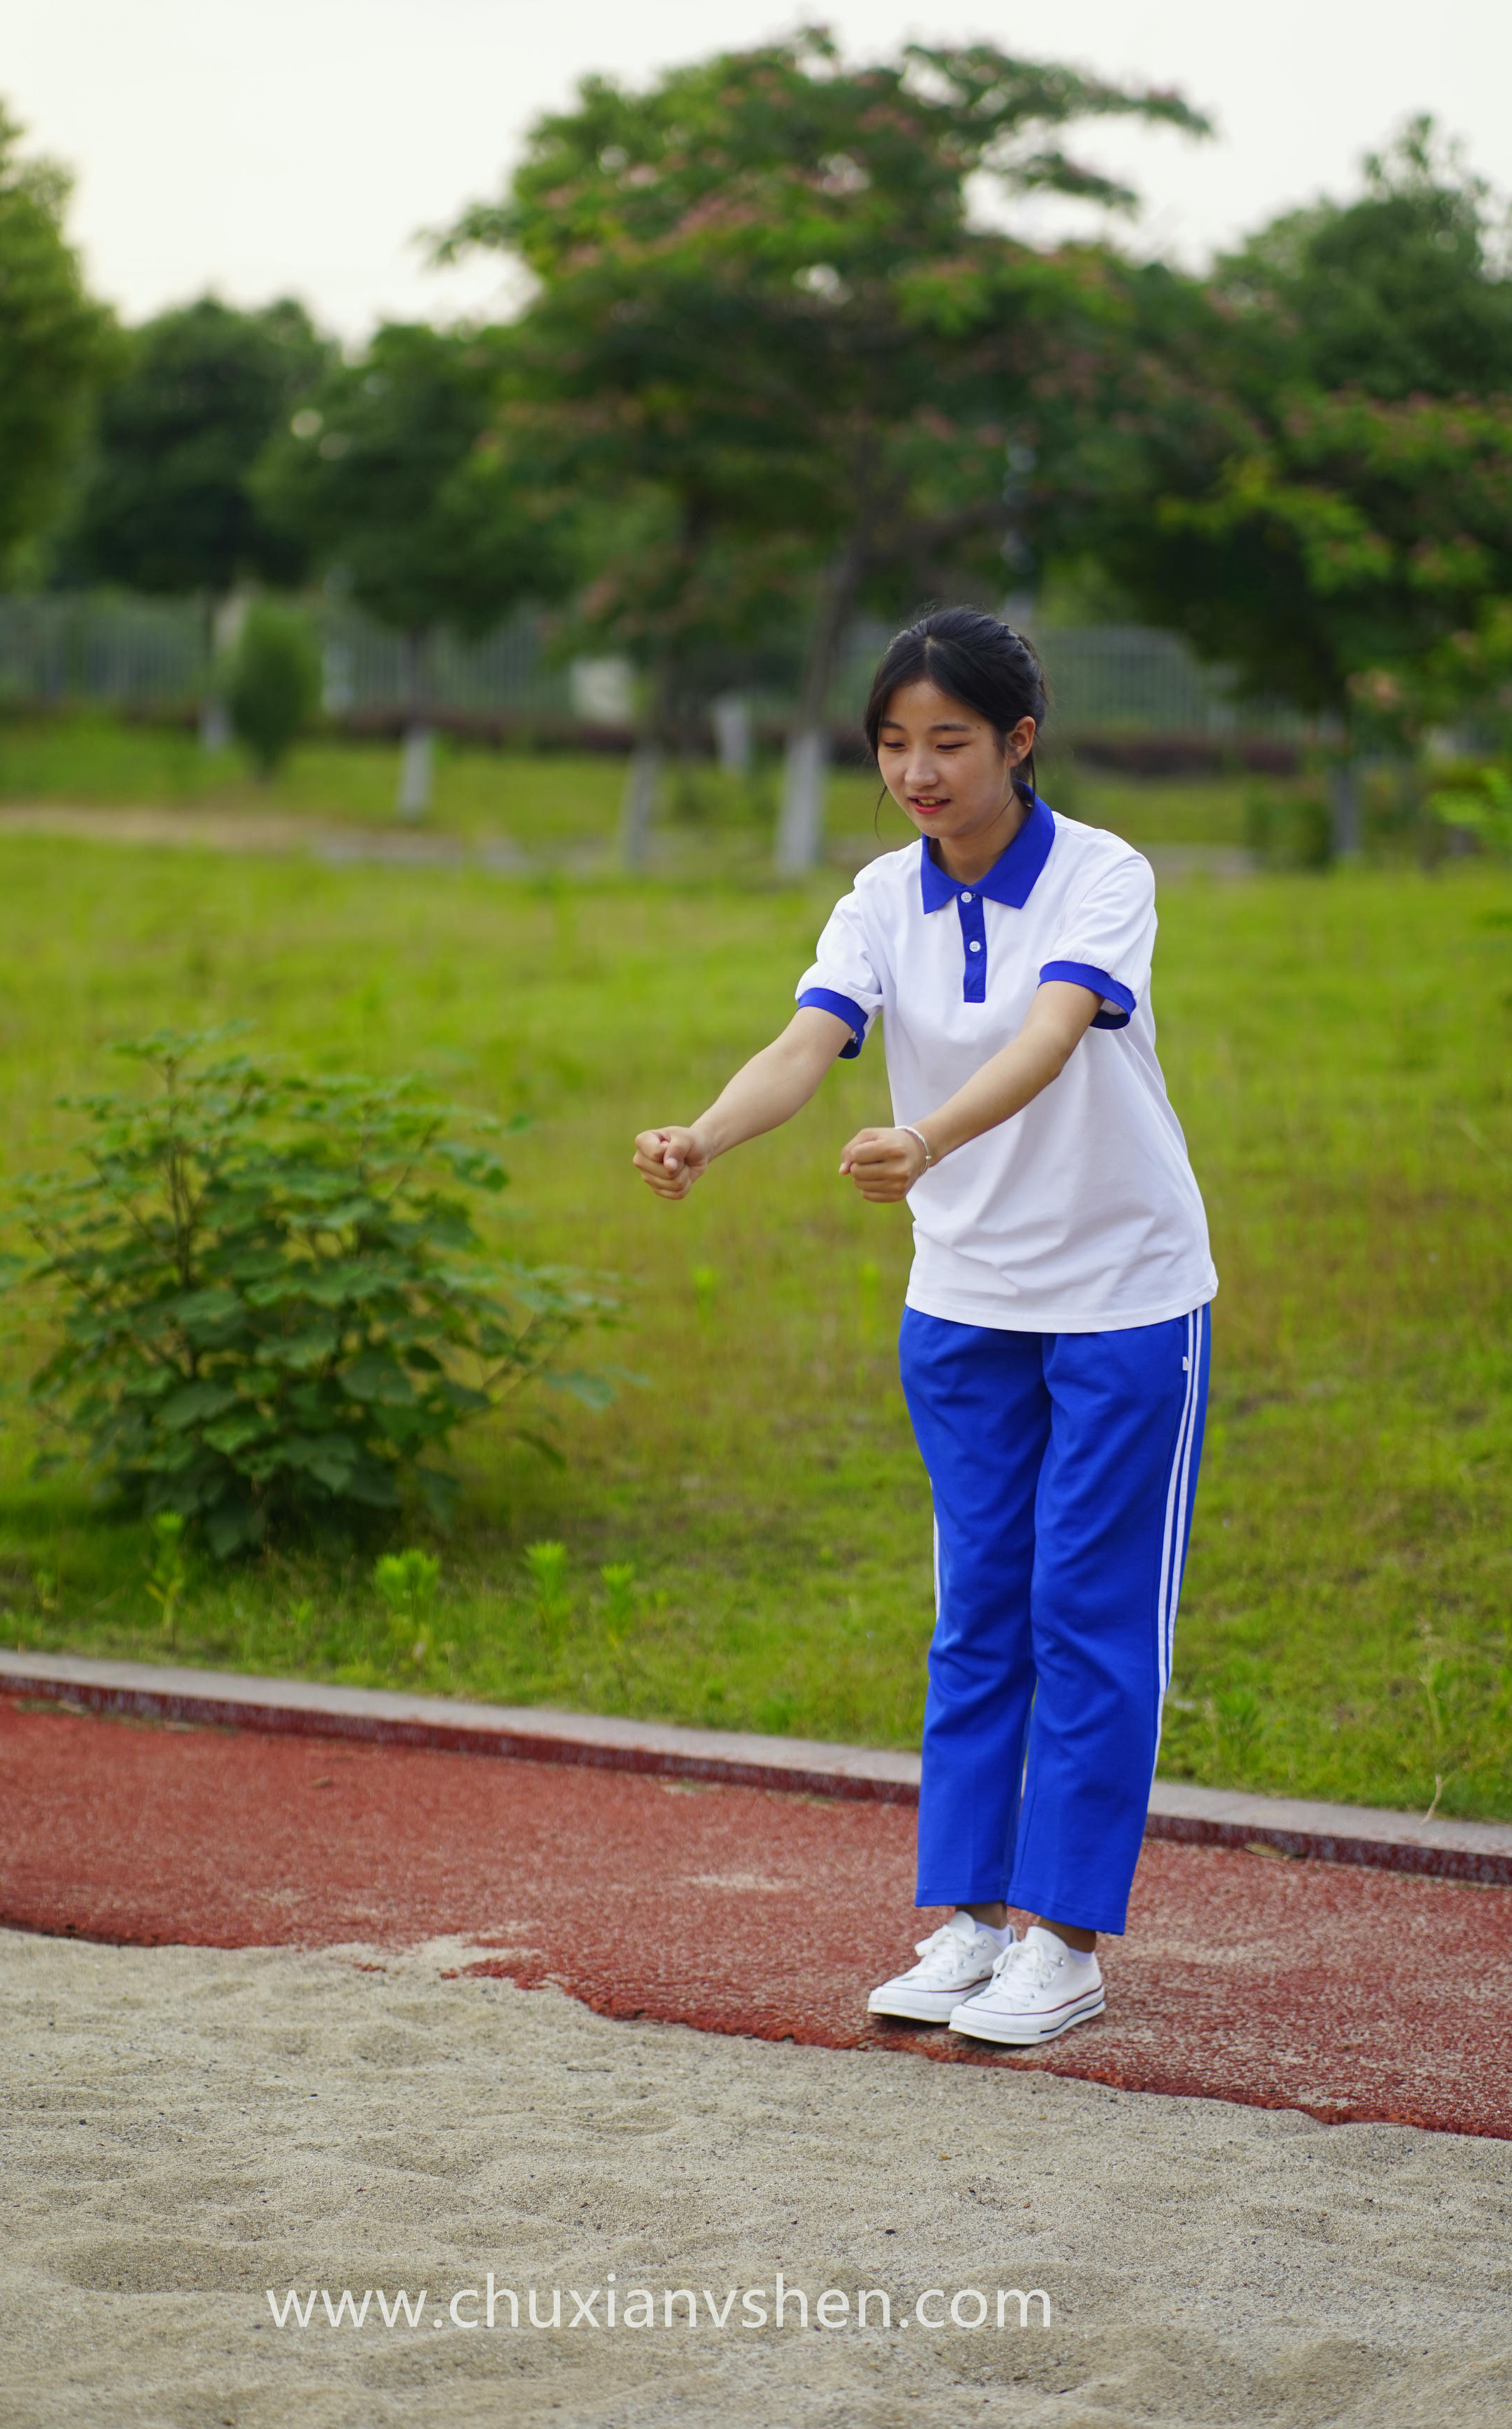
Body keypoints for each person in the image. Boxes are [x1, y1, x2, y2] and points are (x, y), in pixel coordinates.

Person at [632, 608, 1216, 2046]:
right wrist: (706, 1133)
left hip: (1124, 1296)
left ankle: (1059, 1937)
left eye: (947, 741)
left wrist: (928, 1135)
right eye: (893, 742)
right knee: (978, 1619)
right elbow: (807, 1039)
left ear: (1019, 740)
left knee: (1087, 1617)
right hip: (960, 1306)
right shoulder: (881, 894)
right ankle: (962, 1920)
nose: (916, 770)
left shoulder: (1101, 873)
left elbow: (1054, 1026)